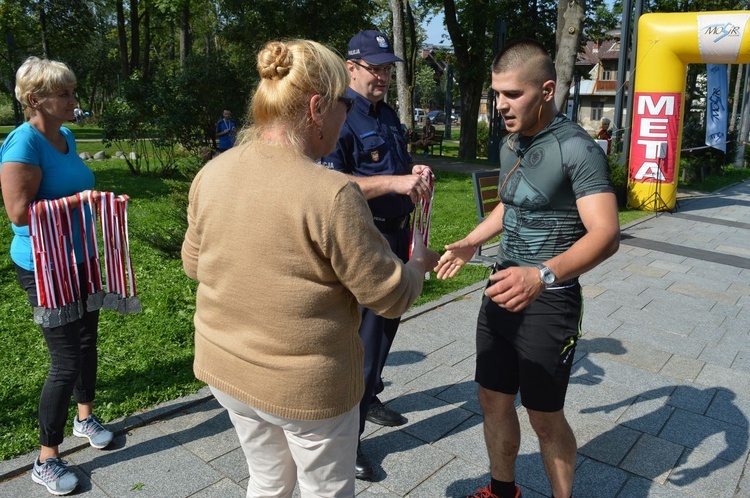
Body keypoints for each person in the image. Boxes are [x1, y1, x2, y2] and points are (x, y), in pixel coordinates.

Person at [181, 39, 439, 498]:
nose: (348, 115)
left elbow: (194, 264)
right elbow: (391, 295)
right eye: (344, 102)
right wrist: (417, 262)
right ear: (318, 107)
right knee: (325, 489)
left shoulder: (214, 172)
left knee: (266, 480)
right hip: (307, 390)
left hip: (227, 372)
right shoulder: (332, 193)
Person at [434, 39, 620, 498]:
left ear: (546, 90)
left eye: (512, 94)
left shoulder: (579, 149)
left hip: (549, 300)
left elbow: (606, 234)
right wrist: (470, 242)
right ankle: (502, 491)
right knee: (492, 399)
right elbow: (510, 206)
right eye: (496, 94)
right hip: (501, 290)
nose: (500, 104)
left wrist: (543, 274)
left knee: (543, 416)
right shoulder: (512, 143)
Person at [320, 29, 433, 480]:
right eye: (376, 68)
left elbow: (394, 168)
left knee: (383, 335)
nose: (384, 76)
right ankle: (346, 443)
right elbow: (331, 185)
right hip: (364, 241)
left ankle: (369, 398)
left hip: (397, 237)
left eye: (388, 68)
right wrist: (394, 183)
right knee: (363, 345)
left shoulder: (384, 114)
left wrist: (414, 172)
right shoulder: (340, 116)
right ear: (351, 68)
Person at [0, 57, 114, 496]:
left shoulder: (64, 135)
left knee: (88, 343)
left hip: (80, 259)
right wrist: (77, 201)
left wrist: (91, 201)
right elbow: (19, 213)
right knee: (65, 359)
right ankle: (45, 458)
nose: (73, 100)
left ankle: (85, 418)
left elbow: (71, 186)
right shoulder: (22, 145)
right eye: (63, 93)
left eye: (72, 91)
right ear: (35, 100)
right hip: (45, 267)